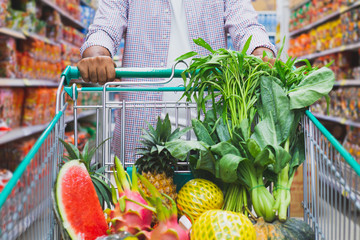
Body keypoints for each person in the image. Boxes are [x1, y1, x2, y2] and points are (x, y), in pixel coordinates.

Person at [78, 0, 277, 162]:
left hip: (210, 138)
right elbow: (105, 26)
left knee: (212, 210)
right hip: (142, 137)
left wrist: (259, 52)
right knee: (141, 209)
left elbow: (246, 24)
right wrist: (97, 54)